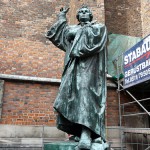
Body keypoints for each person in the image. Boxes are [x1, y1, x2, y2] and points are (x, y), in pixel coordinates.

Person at [46, 5, 108, 150]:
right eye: (81, 12)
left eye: (87, 11)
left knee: (85, 96)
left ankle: (87, 133)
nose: (84, 13)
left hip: (90, 69)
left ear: (91, 16)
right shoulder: (73, 28)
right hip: (72, 68)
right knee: (67, 98)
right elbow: (59, 35)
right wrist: (62, 18)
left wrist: (77, 32)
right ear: (78, 16)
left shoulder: (98, 27)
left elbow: (93, 41)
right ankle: (77, 131)